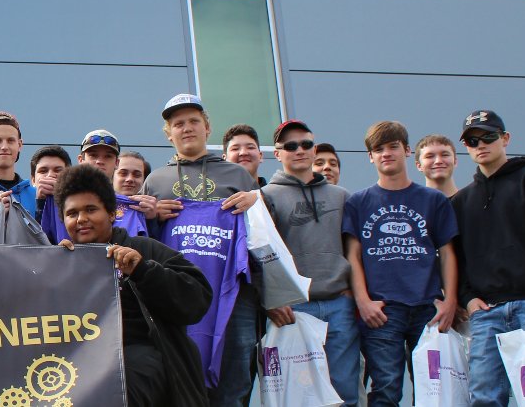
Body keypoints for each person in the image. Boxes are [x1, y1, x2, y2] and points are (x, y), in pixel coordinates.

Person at [55, 164, 211, 407]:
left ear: (111, 214)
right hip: (81, 364)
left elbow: (197, 299)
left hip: (142, 360)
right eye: (72, 213)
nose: (81, 219)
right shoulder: (60, 263)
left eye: (90, 209)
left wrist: (143, 270)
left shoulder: (145, 249)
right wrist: (54, 272)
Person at [450, 110, 525, 407]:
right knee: (484, 397)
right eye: (471, 140)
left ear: (505, 139)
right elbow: (458, 261)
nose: (480, 144)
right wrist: (467, 298)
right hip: (486, 314)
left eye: (488, 137)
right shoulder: (461, 201)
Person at [142, 94, 259, 407]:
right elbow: (144, 240)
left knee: (234, 381)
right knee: (180, 379)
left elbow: (263, 236)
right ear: (169, 134)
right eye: (178, 124)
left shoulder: (238, 176)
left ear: (207, 127)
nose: (187, 128)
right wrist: (151, 216)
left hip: (233, 295)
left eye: (194, 121)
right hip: (176, 295)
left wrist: (257, 202)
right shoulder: (155, 181)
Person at [342, 121, 459, 407]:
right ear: (370, 157)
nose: (386, 154)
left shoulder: (432, 200)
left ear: (407, 150)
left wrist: (451, 302)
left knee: (433, 390)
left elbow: (447, 254)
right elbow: (352, 256)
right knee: (386, 389)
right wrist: (363, 301)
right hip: (382, 311)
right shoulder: (358, 202)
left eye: (393, 147)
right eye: (378, 149)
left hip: (428, 309)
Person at [260, 120, 359, 406]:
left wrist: (354, 293)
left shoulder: (342, 196)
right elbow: (261, 255)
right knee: (299, 395)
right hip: (294, 309)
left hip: (339, 304)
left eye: (305, 144)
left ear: (314, 149)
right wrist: (271, 300)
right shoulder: (266, 197)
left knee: (344, 392)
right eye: (290, 146)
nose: (299, 150)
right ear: (277, 154)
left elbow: (355, 251)